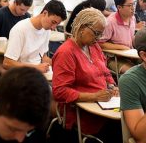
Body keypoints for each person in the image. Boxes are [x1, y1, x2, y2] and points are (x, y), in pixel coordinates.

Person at [52, 8, 121, 143]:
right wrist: (93, 96)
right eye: (96, 33)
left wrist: (112, 85)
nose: (98, 39)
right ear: (83, 28)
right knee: (121, 130)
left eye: (101, 34)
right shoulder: (66, 53)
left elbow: (105, 71)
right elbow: (60, 92)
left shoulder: (93, 46)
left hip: (103, 106)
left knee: (127, 124)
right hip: (82, 111)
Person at [3, 0, 67, 73]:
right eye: (53, 22)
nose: (53, 27)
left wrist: (58, 64)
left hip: (36, 72)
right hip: (21, 74)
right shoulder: (20, 29)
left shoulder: (46, 30)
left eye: (57, 25)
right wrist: (36, 68)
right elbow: (7, 63)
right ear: (45, 13)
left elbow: (43, 57)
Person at [98, 0, 137, 74]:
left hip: (130, 54)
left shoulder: (133, 18)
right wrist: (121, 47)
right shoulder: (110, 22)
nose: (133, 8)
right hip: (114, 58)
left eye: (134, 4)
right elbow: (100, 43)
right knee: (134, 73)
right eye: (130, 5)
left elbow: (130, 37)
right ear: (119, 7)